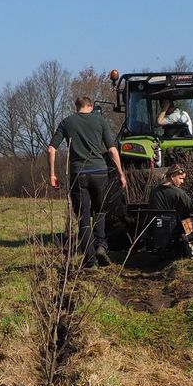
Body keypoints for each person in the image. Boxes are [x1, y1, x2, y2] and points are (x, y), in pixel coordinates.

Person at [48, 96, 128, 268]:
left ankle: (90, 259)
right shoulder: (100, 121)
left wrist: (52, 174)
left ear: (76, 106)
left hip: (79, 174)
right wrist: (121, 174)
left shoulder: (67, 122)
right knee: (100, 211)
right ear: (91, 106)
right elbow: (112, 150)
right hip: (100, 172)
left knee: (84, 216)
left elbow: (51, 149)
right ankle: (101, 246)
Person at [148, 166, 193, 255]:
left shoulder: (155, 191)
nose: (182, 181)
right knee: (187, 218)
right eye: (181, 178)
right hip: (174, 228)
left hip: (157, 227)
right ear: (173, 176)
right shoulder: (177, 192)